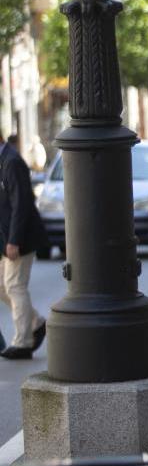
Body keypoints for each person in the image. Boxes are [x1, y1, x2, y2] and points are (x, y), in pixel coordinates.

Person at [0, 134, 47, 360]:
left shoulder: (12, 162)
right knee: (2, 286)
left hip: (20, 239)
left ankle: (23, 342)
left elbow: (21, 204)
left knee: (14, 286)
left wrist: (14, 240)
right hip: (7, 239)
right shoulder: (4, 161)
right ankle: (35, 323)